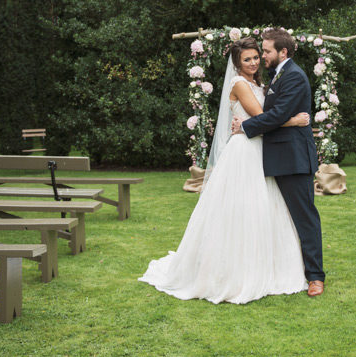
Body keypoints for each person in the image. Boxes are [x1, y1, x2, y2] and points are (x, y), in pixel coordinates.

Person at [138, 37, 310, 304]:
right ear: (236, 63)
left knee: (262, 207)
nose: (254, 62)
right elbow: (259, 116)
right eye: (247, 59)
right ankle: (233, 271)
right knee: (240, 208)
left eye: (256, 57)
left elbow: (264, 117)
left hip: (260, 149)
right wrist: (294, 121)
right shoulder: (239, 84)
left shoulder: (258, 83)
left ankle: (266, 265)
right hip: (244, 150)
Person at [231, 28, 325, 296]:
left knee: (304, 218)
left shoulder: (293, 76)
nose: (263, 55)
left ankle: (316, 277)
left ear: (283, 51)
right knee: (279, 219)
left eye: (267, 50)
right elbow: (275, 113)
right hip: (276, 158)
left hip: (293, 159)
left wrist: (246, 125)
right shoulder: (276, 75)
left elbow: (277, 115)